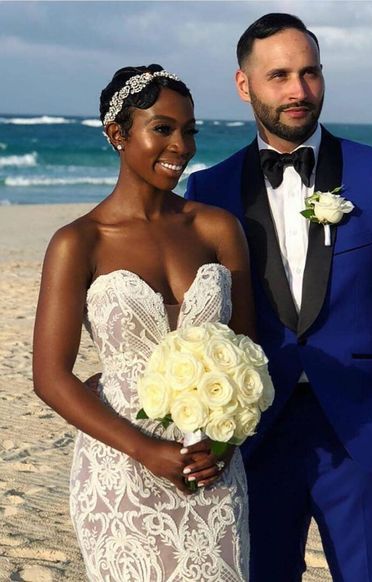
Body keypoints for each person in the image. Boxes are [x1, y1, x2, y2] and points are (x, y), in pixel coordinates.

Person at [185, 13, 372, 582]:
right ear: (245, 85)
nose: (298, 91)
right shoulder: (208, 190)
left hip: (362, 433)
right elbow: (195, 320)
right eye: (279, 75)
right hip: (253, 433)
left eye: (309, 73)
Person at [33, 64, 254, 581]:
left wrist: (224, 445)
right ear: (117, 134)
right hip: (121, 473)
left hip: (212, 474)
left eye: (190, 130)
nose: (182, 145)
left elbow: (249, 353)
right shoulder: (78, 242)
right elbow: (50, 377)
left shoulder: (218, 229)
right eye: (163, 128)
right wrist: (147, 450)